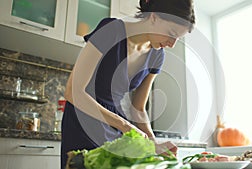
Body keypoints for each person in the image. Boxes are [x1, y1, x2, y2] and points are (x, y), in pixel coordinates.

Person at [61, 0, 195, 168]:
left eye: (178, 39)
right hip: (84, 120)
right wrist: (125, 126)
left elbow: (138, 108)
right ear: (153, 17)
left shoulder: (157, 56)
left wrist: (154, 144)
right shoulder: (111, 31)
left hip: (116, 129)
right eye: (171, 33)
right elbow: (73, 92)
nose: (172, 44)